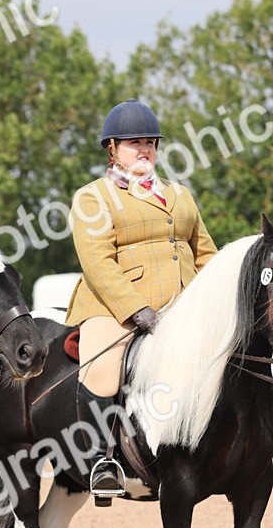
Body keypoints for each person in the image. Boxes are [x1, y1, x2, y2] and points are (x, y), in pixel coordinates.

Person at [66, 98, 217, 497]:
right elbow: (97, 263)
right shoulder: (92, 198)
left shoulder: (179, 194)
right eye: (134, 142)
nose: (145, 148)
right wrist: (138, 310)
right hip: (113, 307)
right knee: (103, 364)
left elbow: (205, 253)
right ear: (112, 148)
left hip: (183, 308)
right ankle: (102, 459)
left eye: (150, 141)